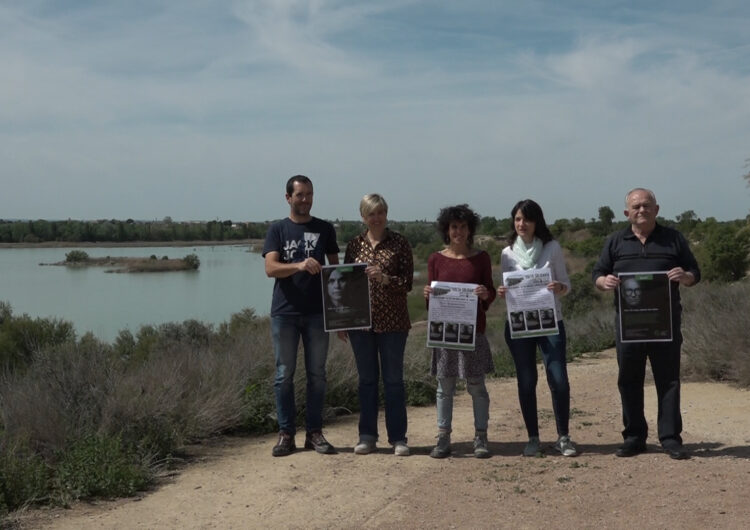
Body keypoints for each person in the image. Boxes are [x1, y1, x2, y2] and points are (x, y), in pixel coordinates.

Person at [592, 188, 700, 460]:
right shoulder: (616, 241)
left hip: (665, 324)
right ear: (627, 212)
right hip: (629, 327)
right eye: (636, 206)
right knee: (629, 380)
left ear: (657, 209)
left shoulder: (673, 239)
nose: (642, 210)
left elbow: (694, 272)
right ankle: (634, 436)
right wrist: (604, 282)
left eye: (647, 205)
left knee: (669, 380)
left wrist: (684, 276)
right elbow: (598, 274)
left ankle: (670, 438)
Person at [262, 175, 340, 457]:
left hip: (318, 314)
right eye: (299, 195)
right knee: (284, 375)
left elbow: (337, 273)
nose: (305, 199)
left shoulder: (325, 229)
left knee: (317, 375)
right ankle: (286, 434)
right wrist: (298, 265)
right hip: (285, 314)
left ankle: (314, 434)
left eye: (309, 194)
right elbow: (270, 268)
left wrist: (343, 315)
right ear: (288, 198)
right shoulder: (277, 230)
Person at [498, 199, 578, 457]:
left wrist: (559, 287)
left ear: (537, 222)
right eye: (518, 219)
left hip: (550, 323)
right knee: (526, 381)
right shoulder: (507, 253)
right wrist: (503, 292)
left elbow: (566, 284)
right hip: (519, 326)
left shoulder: (552, 248)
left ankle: (563, 437)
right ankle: (533, 438)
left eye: (527, 219)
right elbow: (509, 288)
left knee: (559, 379)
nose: (522, 224)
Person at [340, 194, 413, 456]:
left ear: (386, 214)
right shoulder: (353, 245)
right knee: (367, 381)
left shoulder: (400, 243)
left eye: (380, 212)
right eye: (371, 213)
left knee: (394, 381)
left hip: (394, 324)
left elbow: (407, 283)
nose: (376, 218)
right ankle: (367, 436)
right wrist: (341, 321)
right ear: (363, 216)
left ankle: (398, 438)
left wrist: (384, 279)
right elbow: (345, 284)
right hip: (361, 326)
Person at [424, 204, 496, 459]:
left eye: (463, 226)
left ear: (470, 229)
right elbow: (430, 303)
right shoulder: (435, 259)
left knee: (476, 386)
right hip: (444, 333)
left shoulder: (482, 258)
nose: (459, 231)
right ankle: (443, 438)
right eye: (454, 226)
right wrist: (428, 295)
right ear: (447, 229)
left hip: (472, 333)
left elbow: (491, 292)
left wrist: (486, 294)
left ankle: (481, 437)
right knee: (445, 387)